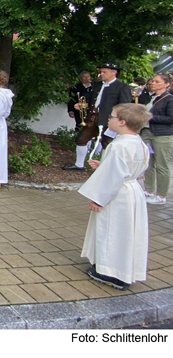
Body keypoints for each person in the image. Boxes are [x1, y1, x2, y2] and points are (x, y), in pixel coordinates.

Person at [79, 103, 151, 290]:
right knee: (125, 233)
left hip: (117, 195)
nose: (109, 119)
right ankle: (117, 267)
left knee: (112, 230)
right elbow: (130, 169)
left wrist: (98, 198)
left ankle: (112, 273)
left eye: (111, 116)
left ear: (122, 122)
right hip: (132, 191)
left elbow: (113, 176)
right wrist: (103, 165)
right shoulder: (139, 142)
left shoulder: (119, 146)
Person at [64, 62, 132, 172]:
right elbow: (92, 100)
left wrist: (118, 120)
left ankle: (105, 167)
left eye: (104, 72)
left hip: (109, 120)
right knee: (81, 139)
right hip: (93, 117)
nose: (101, 74)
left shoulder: (122, 87)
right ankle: (79, 165)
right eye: (101, 71)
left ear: (114, 72)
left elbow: (124, 106)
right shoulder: (98, 85)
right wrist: (82, 105)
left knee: (107, 143)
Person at [140, 73, 173, 205]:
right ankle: (149, 190)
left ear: (167, 84)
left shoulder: (169, 99)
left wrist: (150, 117)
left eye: (157, 82)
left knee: (162, 165)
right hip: (147, 132)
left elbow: (171, 118)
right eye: (153, 81)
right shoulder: (151, 98)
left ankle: (161, 195)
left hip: (162, 135)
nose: (153, 83)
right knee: (148, 163)